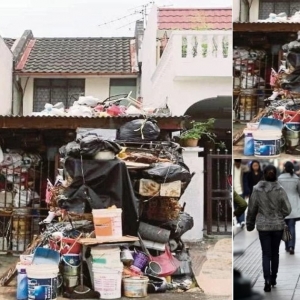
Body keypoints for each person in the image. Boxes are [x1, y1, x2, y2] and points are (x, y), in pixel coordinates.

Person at [246, 164, 291, 292]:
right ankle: (273, 278)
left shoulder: (256, 189)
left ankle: (266, 280)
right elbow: (287, 209)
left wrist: (250, 224)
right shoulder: (280, 189)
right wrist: (279, 214)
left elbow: (252, 208)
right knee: (275, 253)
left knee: (266, 254)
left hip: (263, 226)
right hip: (277, 226)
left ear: (263, 173)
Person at [278, 161, 300, 255]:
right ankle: (291, 246)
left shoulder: (279, 178)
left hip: (282, 205)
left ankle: (287, 246)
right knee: (291, 226)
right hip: (294, 205)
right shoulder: (296, 179)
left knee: (284, 227)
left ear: (284, 168)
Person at [233, 159, 248, 228]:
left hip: (241, 190)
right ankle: (238, 221)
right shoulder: (232, 168)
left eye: (239, 163)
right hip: (234, 191)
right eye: (236, 163)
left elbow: (247, 170)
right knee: (236, 207)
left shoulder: (243, 168)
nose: (237, 165)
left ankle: (242, 220)